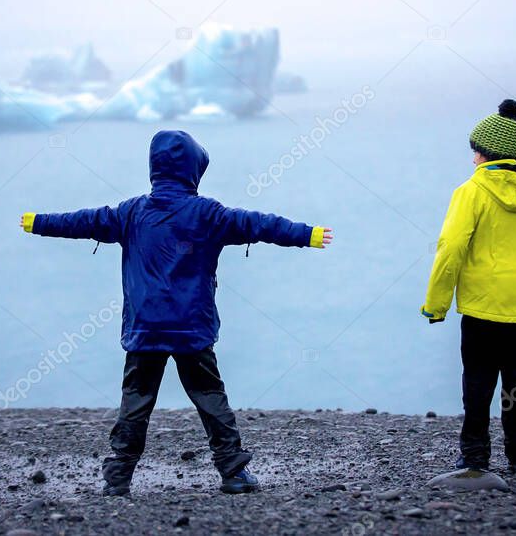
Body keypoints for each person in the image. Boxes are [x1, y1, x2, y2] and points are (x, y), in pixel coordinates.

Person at [21, 129, 332, 496]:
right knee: (210, 397)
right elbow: (259, 224)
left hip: (145, 329)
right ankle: (233, 473)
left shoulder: (130, 213)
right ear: (193, 170)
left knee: (135, 403)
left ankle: (118, 479)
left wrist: (36, 221)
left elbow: (81, 221)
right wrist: (307, 233)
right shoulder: (208, 214)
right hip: (190, 329)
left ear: (155, 168)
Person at [420, 99, 516, 475]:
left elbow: (451, 248)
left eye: (475, 151)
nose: (473, 159)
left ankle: (475, 456)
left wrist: (436, 304)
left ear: (484, 153)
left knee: (478, 385)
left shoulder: (472, 191)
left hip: (482, 310)